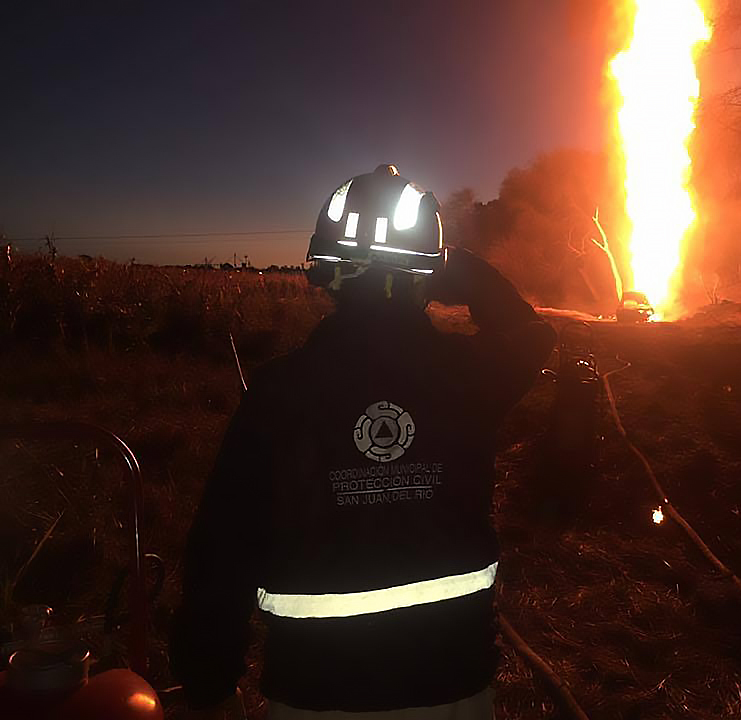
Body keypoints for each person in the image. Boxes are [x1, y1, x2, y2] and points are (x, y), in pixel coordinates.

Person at [170, 164, 556, 719]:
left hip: (314, 690)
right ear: (432, 276)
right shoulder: (469, 377)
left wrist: (208, 684)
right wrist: (456, 267)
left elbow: (222, 545)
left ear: (323, 274)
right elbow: (530, 334)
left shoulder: (280, 390)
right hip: (452, 684)